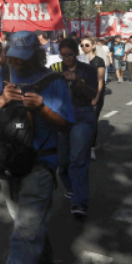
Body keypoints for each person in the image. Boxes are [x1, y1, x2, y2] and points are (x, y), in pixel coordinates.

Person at [0, 31, 73, 264]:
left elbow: (66, 125)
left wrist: (42, 108)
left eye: (22, 58)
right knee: (24, 222)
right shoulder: (2, 74)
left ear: (35, 54)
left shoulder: (54, 82)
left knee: (25, 228)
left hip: (39, 163)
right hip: (6, 162)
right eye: (12, 57)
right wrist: (2, 101)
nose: (16, 63)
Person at [51, 38, 99, 219]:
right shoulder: (55, 69)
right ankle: (72, 187)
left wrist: (79, 82)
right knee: (62, 162)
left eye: (69, 55)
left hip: (82, 116)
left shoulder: (88, 70)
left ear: (76, 53)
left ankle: (79, 202)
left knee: (77, 159)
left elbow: (94, 95)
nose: (66, 59)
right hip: (62, 117)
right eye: (63, 55)